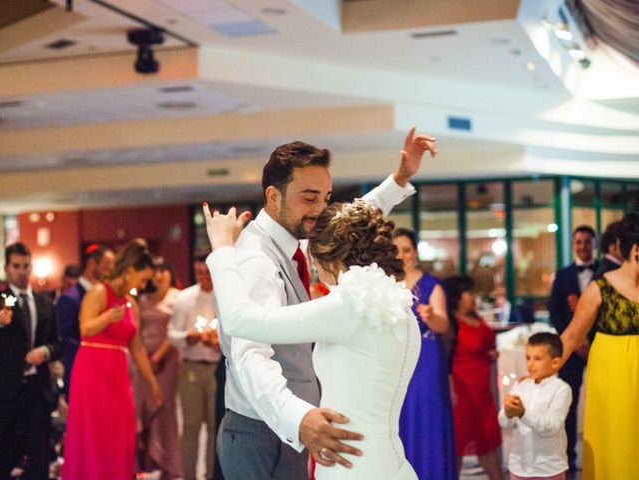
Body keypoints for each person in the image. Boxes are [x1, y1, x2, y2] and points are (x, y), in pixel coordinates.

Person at [214, 127, 436, 479]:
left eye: (326, 197)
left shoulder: (299, 241)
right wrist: (297, 418)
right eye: (310, 197)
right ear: (273, 197)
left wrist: (398, 180)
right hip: (266, 430)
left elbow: (346, 228)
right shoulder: (256, 259)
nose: (320, 210)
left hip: (308, 431)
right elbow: (249, 353)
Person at [63, 239, 162, 480]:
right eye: (144, 277)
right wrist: (107, 317)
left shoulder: (131, 302)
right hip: (92, 372)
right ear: (130, 271)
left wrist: (152, 382)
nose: (146, 283)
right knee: (92, 435)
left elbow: (137, 347)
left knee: (119, 434)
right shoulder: (98, 292)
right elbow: (85, 328)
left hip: (118, 378)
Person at [559, 212, 639, 480]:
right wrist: (543, 370)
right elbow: (571, 336)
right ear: (636, 251)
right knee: (618, 444)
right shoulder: (600, 287)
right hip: (613, 380)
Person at [392, 228, 456, 480]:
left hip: (426, 359)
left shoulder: (431, 285)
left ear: (415, 253)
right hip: (395, 358)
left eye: (406, 250)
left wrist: (430, 317)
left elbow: (444, 326)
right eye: (396, 250)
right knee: (400, 414)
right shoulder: (386, 284)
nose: (402, 255)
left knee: (427, 414)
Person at [0, 242, 63, 480]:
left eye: (26, 266)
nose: (22, 271)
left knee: (38, 454)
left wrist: (44, 352)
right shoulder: (1, 299)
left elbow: (58, 343)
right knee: (4, 453)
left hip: (37, 389)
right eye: (16, 266)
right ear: (7, 268)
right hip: (6, 390)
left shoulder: (45, 303)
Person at [443, 275, 503, 480]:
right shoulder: (450, 323)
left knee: (487, 442)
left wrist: (492, 354)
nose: (473, 296)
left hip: (482, 391)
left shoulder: (475, 317)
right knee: (458, 445)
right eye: (468, 292)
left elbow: (486, 344)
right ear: (457, 297)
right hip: (462, 391)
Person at [548, 225, 598, 472]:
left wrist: (592, 341)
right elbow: (554, 311)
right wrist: (574, 341)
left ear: (594, 244)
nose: (583, 246)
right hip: (571, 349)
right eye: (578, 242)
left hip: (599, 347)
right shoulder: (564, 274)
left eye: (587, 242)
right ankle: (567, 458)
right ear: (574, 244)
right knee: (567, 402)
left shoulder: (604, 272)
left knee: (601, 400)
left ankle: (599, 453)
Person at [167, 254, 221, 480]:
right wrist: (186, 337)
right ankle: (188, 475)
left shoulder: (224, 296)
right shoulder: (185, 297)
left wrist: (217, 341)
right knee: (190, 427)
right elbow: (171, 334)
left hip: (218, 368)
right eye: (199, 272)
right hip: (191, 366)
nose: (203, 277)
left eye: (207, 272)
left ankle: (211, 474)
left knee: (214, 427)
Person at [498, 332, 571, 480]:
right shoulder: (521, 386)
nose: (530, 364)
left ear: (555, 362)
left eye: (537, 359)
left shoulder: (561, 389)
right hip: (519, 468)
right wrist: (508, 412)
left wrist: (523, 413)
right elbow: (504, 422)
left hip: (548, 469)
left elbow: (551, 426)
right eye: (528, 358)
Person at [134, 258, 182, 479]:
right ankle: (146, 462)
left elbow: (175, 330)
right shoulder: (143, 299)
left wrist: (158, 356)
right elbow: (138, 330)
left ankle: (169, 464)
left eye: (163, 270)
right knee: (143, 407)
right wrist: (143, 358)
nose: (159, 275)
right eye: (156, 271)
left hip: (167, 360)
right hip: (143, 361)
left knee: (165, 409)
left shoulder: (177, 297)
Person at [56, 244, 115, 399]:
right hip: (80, 371)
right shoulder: (71, 298)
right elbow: (66, 338)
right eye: (106, 267)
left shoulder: (106, 296)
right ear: (91, 264)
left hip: (103, 371)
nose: (109, 273)